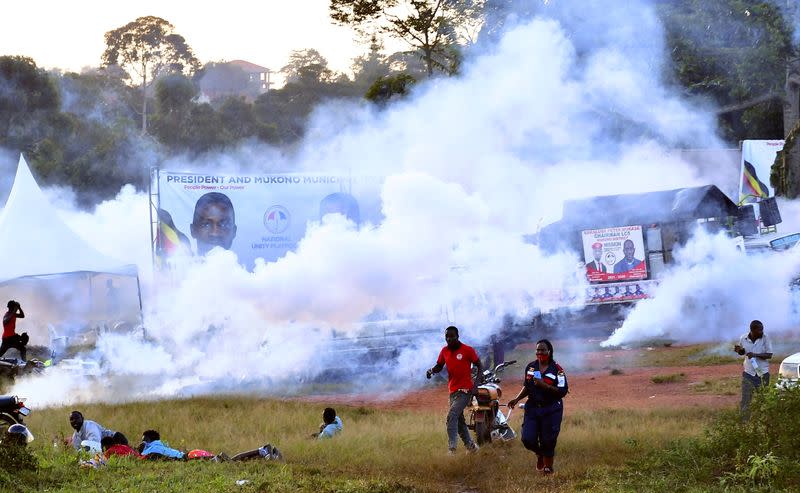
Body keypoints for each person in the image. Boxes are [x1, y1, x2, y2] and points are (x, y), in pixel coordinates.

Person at [507, 339, 569, 475]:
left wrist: (544, 385)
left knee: (548, 439)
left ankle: (548, 468)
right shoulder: (531, 368)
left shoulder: (557, 370)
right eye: (538, 350)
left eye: (542, 350)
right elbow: (527, 387)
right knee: (527, 439)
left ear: (549, 351)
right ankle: (540, 454)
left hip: (551, 409)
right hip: (533, 408)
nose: (539, 353)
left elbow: (562, 391)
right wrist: (517, 399)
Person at [426, 325, 482, 454]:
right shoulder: (444, 351)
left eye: (452, 336)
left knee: (452, 416)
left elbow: (480, 366)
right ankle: (472, 447)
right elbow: (439, 366)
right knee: (460, 421)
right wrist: (431, 371)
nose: (449, 339)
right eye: (447, 336)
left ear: (457, 336)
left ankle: (452, 448)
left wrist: (475, 386)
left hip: (465, 391)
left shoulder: (467, 350)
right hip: (453, 391)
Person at [733, 320, 773, 417]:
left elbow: (769, 355)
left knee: (764, 399)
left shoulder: (765, 338)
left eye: (762, 330)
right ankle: (744, 423)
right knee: (746, 400)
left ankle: (765, 422)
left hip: (762, 374)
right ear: (752, 330)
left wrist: (755, 355)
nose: (762, 332)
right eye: (759, 330)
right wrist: (739, 351)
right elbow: (743, 352)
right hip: (749, 374)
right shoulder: (743, 338)